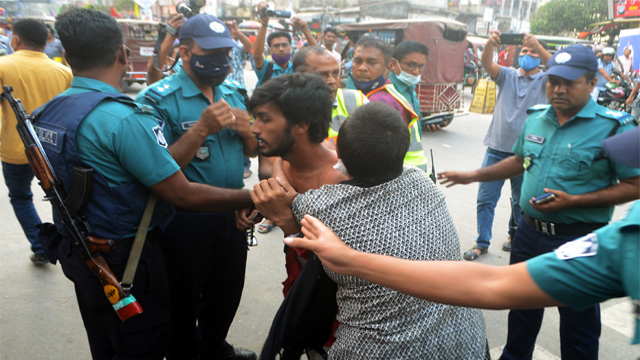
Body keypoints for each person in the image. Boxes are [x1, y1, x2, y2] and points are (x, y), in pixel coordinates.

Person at [284, 125, 640, 349]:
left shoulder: (320, 205)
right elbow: (496, 284)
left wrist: (348, 259)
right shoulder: (626, 242)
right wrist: (348, 259)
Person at [36, 8, 254, 359]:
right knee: (146, 338)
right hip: (127, 254)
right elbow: (176, 191)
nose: (220, 61)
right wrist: (256, 196)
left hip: (83, 248)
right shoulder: (125, 116)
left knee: (107, 339)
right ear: (123, 53)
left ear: (66, 55)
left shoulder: (48, 111)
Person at [438, 44, 640, 360]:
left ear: (591, 83)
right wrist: (474, 175)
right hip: (528, 234)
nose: (558, 89)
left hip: (580, 239)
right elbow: (519, 160)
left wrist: (575, 200)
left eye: (569, 82)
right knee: (521, 313)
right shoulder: (537, 118)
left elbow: (635, 184)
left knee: (578, 324)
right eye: (553, 81)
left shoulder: (614, 126)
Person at [256, 102, 489, 359]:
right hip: (467, 341)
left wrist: (278, 172)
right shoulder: (423, 182)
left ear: (339, 155)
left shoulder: (318, 206)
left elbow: (282, 197)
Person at [136, 14, 258, 360]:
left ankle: (214, 346)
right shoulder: (157, 99)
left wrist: (248, 132)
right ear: (185, 52)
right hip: (183, 220)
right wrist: (200, 129)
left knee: (227, 292)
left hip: (232, 215)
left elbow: (249, 151)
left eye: (226, 53)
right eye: (212, 53)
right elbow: (157, 169)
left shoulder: (234, 92)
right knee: (182, 299)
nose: (221, 61)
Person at [243, 73, 346, 295]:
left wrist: (286, 220)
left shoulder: (341, 182)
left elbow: (339, 274)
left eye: (265, 119)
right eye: (255, 118)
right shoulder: (283, 162)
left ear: (300, 125)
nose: (254, 129)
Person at [463, 32, 551, 261]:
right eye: (524, 51)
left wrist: (537, 45)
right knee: (485, 198)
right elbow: (486, 63)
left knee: (521, 202)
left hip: (527, 155)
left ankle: (515, 237)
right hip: (496, 148)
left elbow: (557, 67)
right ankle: (482, 242)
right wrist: (490, 45)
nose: (528, 55)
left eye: (533, 52)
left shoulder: (545, 80)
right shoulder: (507, 75)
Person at [0, 18, 72, 264]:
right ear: (46, 42)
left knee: (21, 197)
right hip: (54, 150)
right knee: (58, 197)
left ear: (16, 39)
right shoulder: (63, 71)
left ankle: (40, 246)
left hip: (14, 150)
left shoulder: (2, 67)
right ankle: (64, 245)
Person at [346, 37, 429, 173]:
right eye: (358, 61)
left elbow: (371, 159)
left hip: (400, 181)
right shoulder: (374, 93)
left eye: (372, 63)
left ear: (389, 66)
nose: (362, 68)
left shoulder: (381, 101)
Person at [291, 46, 367, 147]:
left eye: (336, 73)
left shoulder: (357, 100)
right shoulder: (284, 111)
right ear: (298, 78)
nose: (332, 81)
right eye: (322, 75)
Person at [251, 2, 316, 88]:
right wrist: (264, 23)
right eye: (276, 46)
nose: (281, 49)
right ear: (270, 50)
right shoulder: (266, 68)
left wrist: (305, 30)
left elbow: (317, 57)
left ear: (290, 47)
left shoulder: (298, 68)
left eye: (284, 45)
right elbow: (256, 56)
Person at [388, 40, 443, 133]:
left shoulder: (411, 88)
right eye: (411, 65)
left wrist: (423, 126)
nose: (416, 71)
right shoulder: (386, 91)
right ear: (393, 64)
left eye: (421, 66)